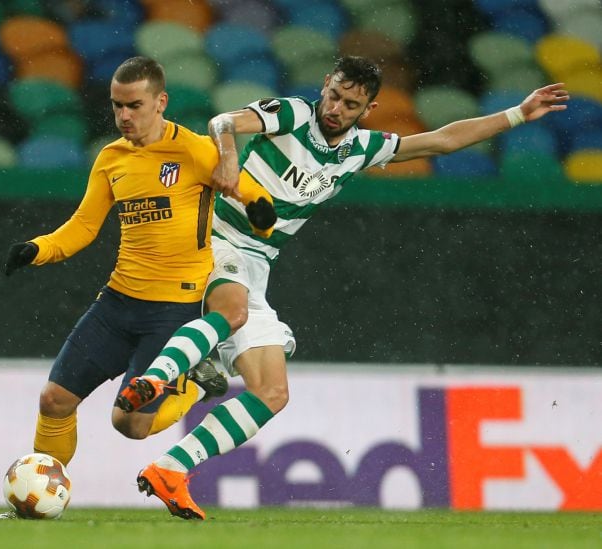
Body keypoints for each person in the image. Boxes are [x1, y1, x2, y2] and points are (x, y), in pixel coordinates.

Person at [117, 55, 570, 520]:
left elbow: (444, 140)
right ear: (325, 85)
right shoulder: (292, 114)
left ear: (368, 109)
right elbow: (222, 121)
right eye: (333, 94)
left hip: (259, 262)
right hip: (214, 240)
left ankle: (171, 467)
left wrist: (519, 113)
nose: (335, 108)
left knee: (272, 392)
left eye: (350, 103)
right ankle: (159, 376)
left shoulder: (363, 148)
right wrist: (230, 159)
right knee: (231, 311)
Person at [0, 56, 275, 518]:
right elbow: (83, 226)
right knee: (54, 399)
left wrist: (261, 212)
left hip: (173, 311)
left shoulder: (196, 150)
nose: (124, 116)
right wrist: (37, 249)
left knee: (131, 424)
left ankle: (196, 385)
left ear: (160, 102)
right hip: (118, 302)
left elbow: (245, 189)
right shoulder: (111, 158)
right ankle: (38, 500)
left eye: (134, 105)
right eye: (117, 106)